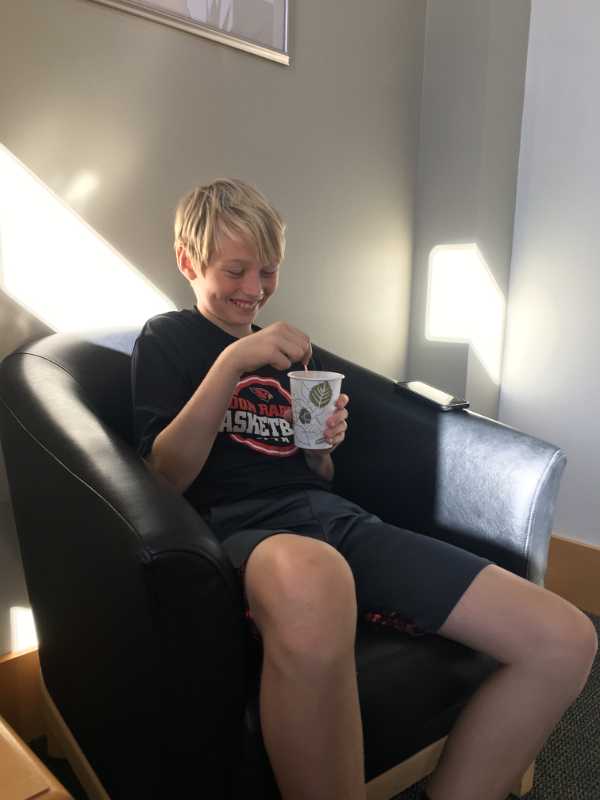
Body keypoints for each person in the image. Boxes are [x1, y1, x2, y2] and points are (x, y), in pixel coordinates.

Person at [131, 178, 597, 800]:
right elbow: (167, 476)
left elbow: (317, 478)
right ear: (189, 262)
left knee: (566, 639)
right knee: (316, 573)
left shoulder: (291, 358)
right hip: (243, 529)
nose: (254, 289)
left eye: (267, 271)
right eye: (235, 271)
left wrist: (321, 448)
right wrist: (232, 360)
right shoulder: (167, 339)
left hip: (335, 518)